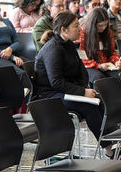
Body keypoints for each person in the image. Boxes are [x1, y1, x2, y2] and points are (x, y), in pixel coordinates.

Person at [32, 11, 105, 143]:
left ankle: (114, 139)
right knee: (88, 106)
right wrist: (82, 92)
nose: (80, 28)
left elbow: (80, 70)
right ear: (64, 30)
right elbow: (56, 83)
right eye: (76, 26)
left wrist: (84, 89)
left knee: (99, 100)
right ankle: (109, 146)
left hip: (64, 91)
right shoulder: (53, 48)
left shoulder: (69, 44)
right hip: (49, 95)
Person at [79, 6, 121, 84]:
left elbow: (112, 52)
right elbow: (81, 56)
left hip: (106, 65)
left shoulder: (107, 32)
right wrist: (98, 66)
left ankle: (119, 96)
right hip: (89, 66)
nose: (103, 28)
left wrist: (116, 61)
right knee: (99, 78)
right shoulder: (82, 33)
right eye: (100, 25)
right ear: (93, 24)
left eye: (105, 25)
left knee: (120, 76)